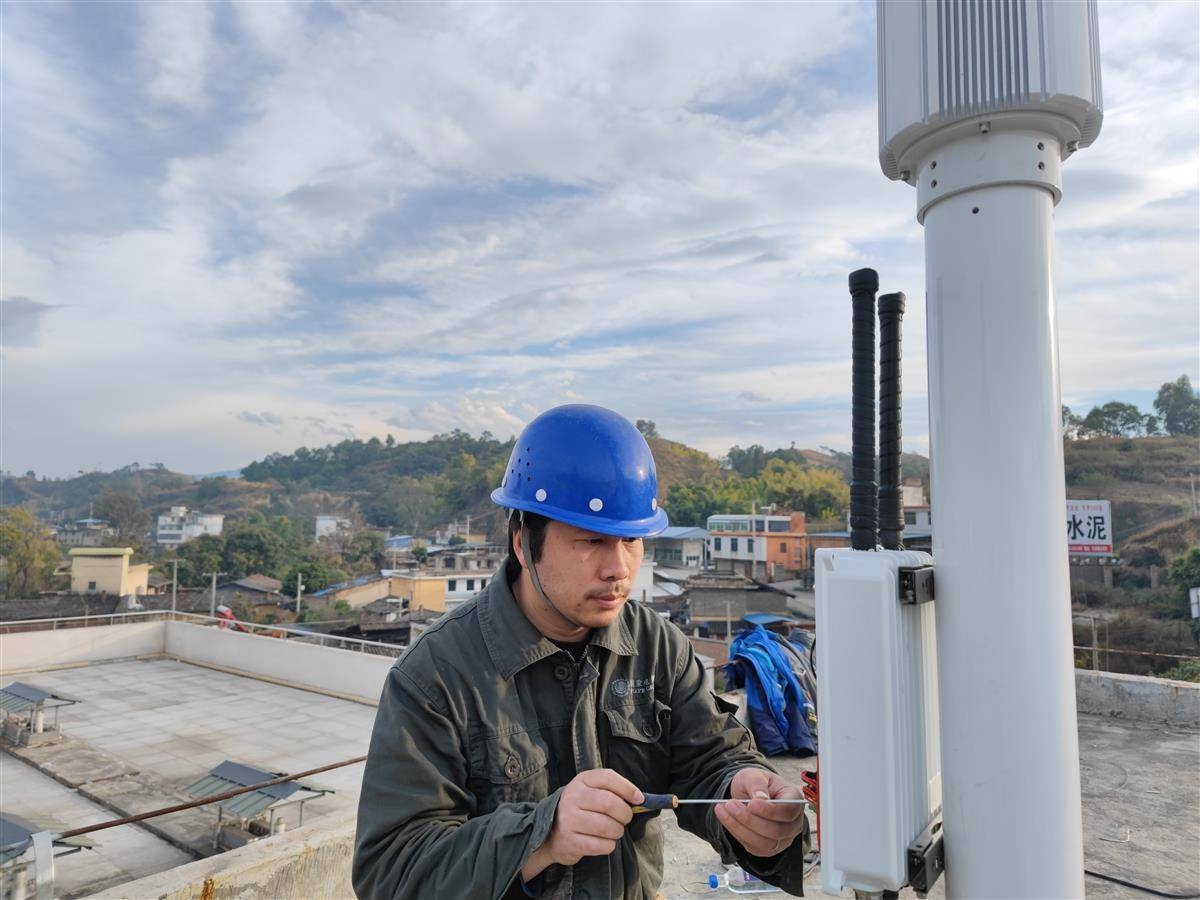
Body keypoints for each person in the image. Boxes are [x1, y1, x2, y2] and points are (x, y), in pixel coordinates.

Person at [353, 404, 809, 899]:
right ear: (523, 543)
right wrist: (540, 837)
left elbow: (710, 760)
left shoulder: (657, 648)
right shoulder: (437, 676)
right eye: (591, 541)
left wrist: (746, 796)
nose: (619, 569)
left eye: (632, 541)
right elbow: (390, 871)